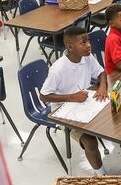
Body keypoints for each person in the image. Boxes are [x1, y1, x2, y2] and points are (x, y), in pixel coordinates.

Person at [40, 26, 108, 174]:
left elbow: (101, 72)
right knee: (90, 141)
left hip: (84, 101)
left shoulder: (87, 57)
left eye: (88, 40)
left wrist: (102, 87)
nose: (89, 45)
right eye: (83, 43)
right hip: (62, 111)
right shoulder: (58, 69)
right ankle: (102, 175)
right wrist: (72, 97)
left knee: (111, 117)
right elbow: (43, 96)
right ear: (70, 46)